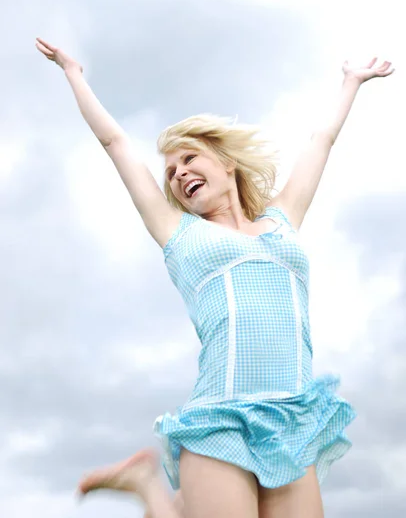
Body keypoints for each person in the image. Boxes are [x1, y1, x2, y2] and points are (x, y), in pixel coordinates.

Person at [36, 37, 393, 518]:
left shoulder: (284, 218)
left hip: (293, 417)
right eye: (170, 172)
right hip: (221, 417)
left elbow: (320, 142)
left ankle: (146, 486)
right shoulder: (179, 235)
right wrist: (73, 71)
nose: (179, 174)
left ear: (226, 163)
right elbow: (115, 142)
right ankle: (149, 487)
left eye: (189, 159)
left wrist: (350, 81)